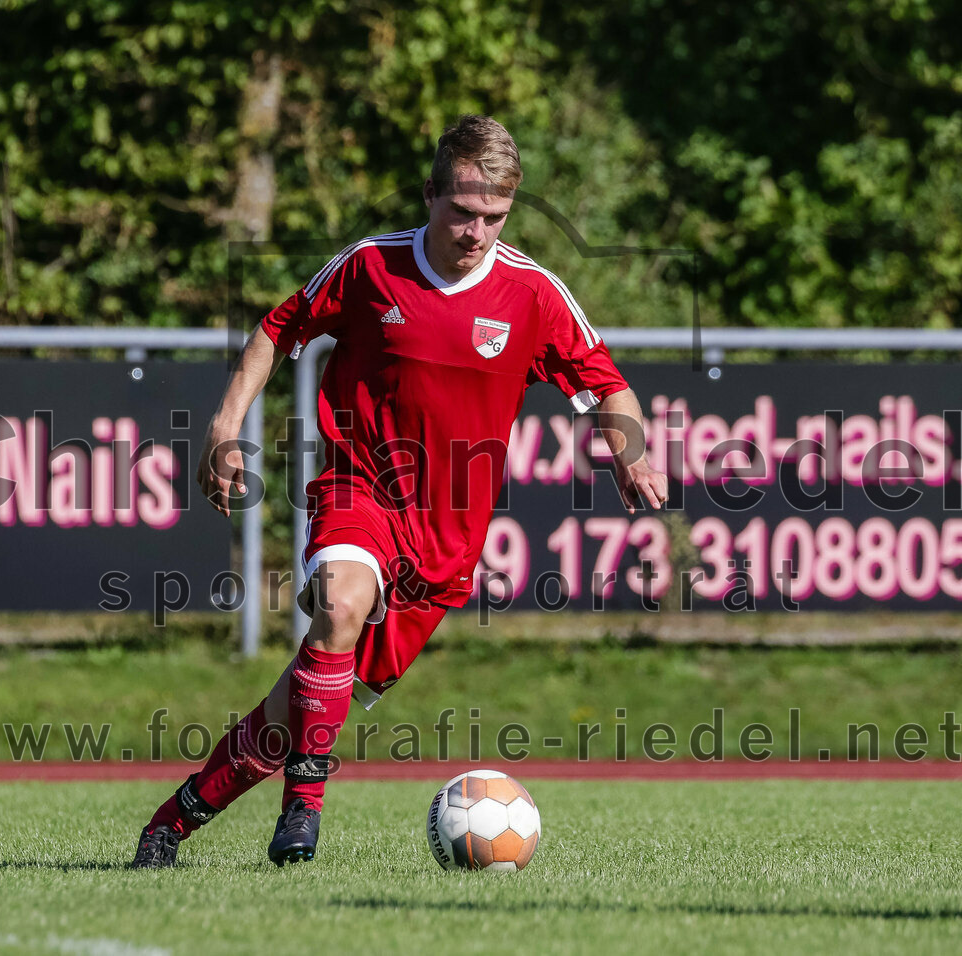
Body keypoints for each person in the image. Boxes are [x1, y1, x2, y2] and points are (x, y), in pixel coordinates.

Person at [130, 115, 668, 869]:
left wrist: (632, 453)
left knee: (299, 707)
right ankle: (305, 805)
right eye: (463, 212)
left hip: (446, 543)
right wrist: (225, 424)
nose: (477, 232)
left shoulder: (533, 294)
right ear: (430, 196)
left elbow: (608, 385)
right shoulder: (370, 267)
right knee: (340, 604)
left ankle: (170, 823)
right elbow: (278, 330)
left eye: (495, 217)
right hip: (360, 487)